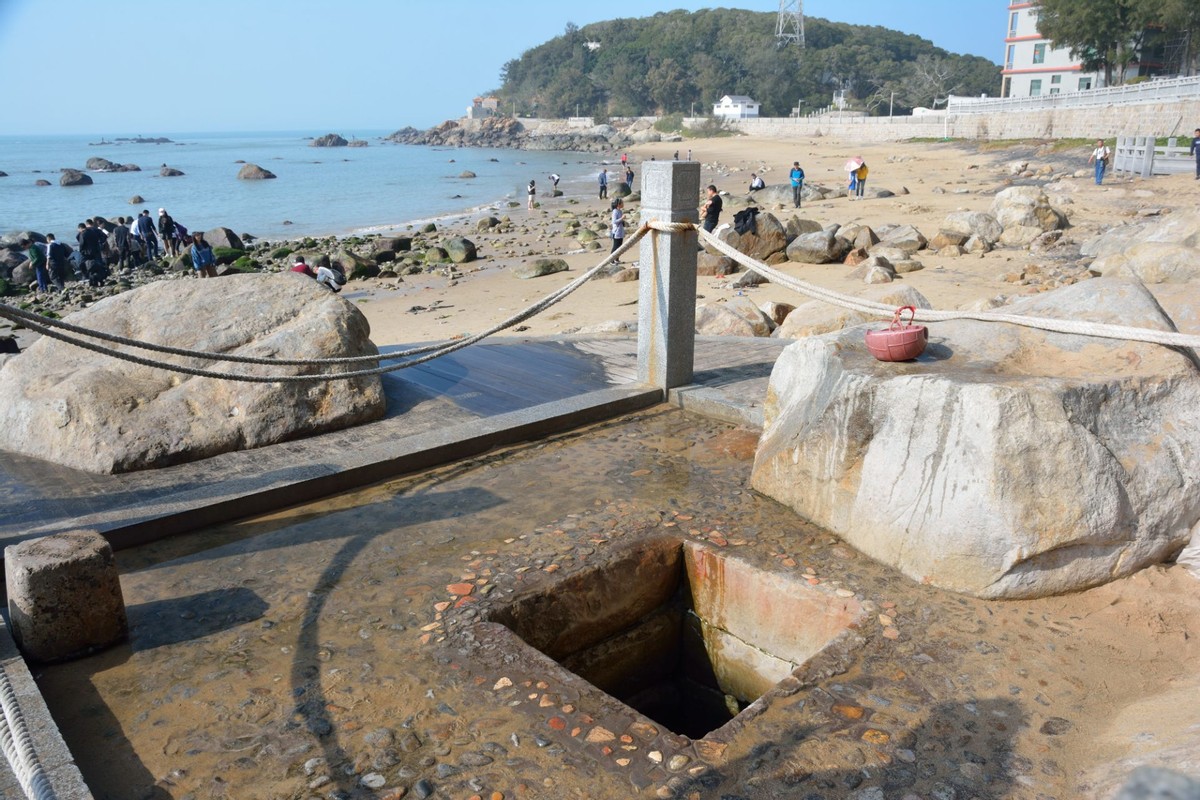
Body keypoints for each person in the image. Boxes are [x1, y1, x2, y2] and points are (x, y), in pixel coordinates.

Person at [77, 219, 108, 285]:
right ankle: (101, 277)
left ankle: (86, 277)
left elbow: (81, 243)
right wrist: (100, 244)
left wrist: (81, 251)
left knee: (82, 264)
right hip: (96, 250)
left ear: (80, 228)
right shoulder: (94, 230)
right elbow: (105, 236)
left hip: (86, 253)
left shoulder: (82, 233)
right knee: (98, 265)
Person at [610, 198, 626, 263]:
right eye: (622, 203)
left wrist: (622, 220)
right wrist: (621, 218)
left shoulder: (620, 211)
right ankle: (611, 260)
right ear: (618, 205)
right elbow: (614, 221)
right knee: (615, 246)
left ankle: (617, 259)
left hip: (620, 232)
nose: (623, 204)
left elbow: (620, 220)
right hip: (616, 232)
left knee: (620, 247)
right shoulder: (615, 211)